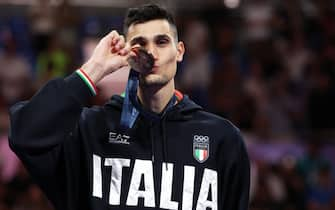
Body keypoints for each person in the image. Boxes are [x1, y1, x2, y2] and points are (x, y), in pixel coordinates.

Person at [8, 4, 250, 210]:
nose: (151, 53)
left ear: (179, 52)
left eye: (162, 42)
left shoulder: (221, 138)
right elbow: (24, 134)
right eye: (140, 43)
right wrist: (94, 68)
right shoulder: (89, 131)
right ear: (127, 53)